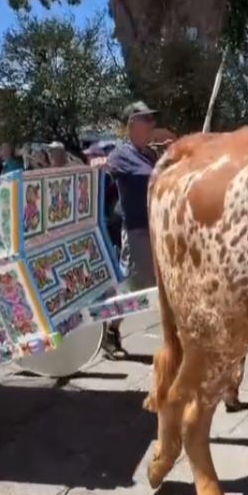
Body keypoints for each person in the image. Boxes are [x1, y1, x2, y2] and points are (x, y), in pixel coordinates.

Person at [101, 101, 160, 358]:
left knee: (156, 284)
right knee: (135, 284)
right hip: (136, 230)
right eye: (146, 119)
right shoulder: (120, 155)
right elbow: (101, 168)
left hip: (157, 229)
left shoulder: (150, 154)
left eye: (151, 119)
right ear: (131, 124)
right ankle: (109, 330)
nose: (151, 124)